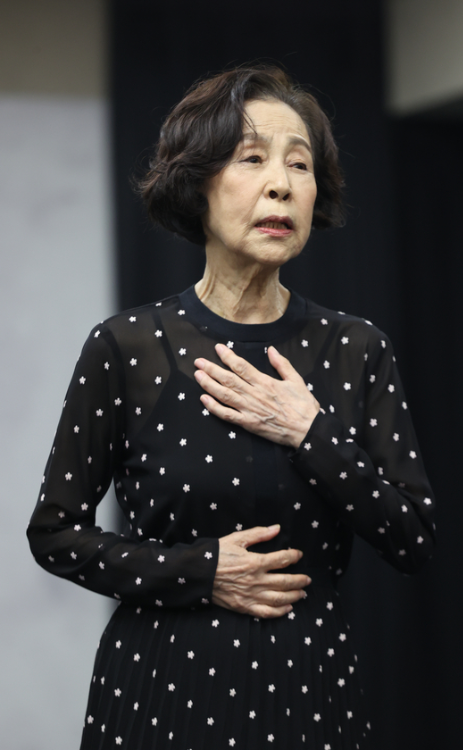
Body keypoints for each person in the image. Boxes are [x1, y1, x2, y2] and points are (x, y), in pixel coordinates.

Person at [27, 65, 436, 750]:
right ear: (199, 184)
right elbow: (55, 533)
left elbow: (413, 538)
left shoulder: (356, 348)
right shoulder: (128, 346)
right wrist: (202, 572)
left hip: (309, 692)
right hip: (159, 688)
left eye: (299, 164)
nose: (282, 184)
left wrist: (309, 431)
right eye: (252, 159)